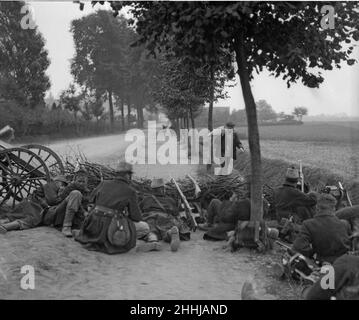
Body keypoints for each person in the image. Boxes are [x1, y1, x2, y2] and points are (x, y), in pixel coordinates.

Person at [75, 161, 161, 252]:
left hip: (92, 225)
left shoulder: (103, 183)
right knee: (145, 227)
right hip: (112, 229)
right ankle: (145, 240)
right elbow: (136, 217)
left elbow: (90, 201)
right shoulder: (130, 191)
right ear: (128, 176)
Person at [293, 193, 351, 264]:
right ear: (334, 208)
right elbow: (351, 245)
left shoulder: (308, 224)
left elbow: (299, 247)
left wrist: (313, 253)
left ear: (317, 208)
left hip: (323, 265)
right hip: (345, 264)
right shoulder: (344, 224)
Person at [0, 175, 68, 234]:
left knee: (14, 216)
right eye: (63, 185)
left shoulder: (51, 186)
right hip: (33, 205)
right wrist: (61, 196)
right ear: (58, 182)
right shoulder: (51, 185)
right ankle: (6, 227)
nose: (64, 187)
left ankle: (3, 225)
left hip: (29, 203)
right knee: (31, 220)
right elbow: (52, 201)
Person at [200, 185, 270, 241]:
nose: (244, 191)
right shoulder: (262, 202)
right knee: (216, 202)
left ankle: (209, 223)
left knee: (214, 201)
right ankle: (210, 222)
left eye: (245, 189)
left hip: (230, 219)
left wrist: (230, 203)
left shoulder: (245, 202)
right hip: (234, 217)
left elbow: (230, 216)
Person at [140, 178, 190, 252]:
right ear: (161, 189)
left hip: (149, 218)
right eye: (164, 188)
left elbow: (138, 211)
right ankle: (170, 234)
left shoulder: (146, 199)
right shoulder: (170, 200)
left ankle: (153, 240)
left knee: (151, 231)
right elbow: (176, 214)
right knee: (166, 230)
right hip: (165, 219)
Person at [43, 169, 89, 237]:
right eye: (79, 181)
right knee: (76, 194)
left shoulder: (87, 191)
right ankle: (66, 227)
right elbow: (61, 203)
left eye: (83, 182)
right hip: (61, 214)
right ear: (74, 180)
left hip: (76, 216)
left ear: (86, 182)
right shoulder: (70, 188)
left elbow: (85, 206)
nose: (81, 183)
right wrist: (83, 212)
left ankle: (75, 228)